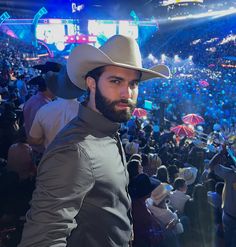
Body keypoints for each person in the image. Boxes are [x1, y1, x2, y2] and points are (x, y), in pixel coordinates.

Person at [18, 35, 170, 247]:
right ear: (91, 83)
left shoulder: (106, 131)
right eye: (115, 81)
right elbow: (41, 240)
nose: (127, 92)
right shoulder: (74, 151)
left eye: (133, 83)